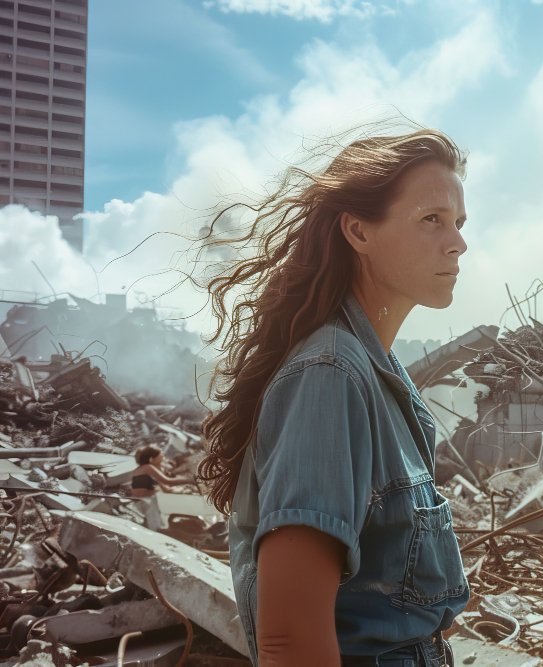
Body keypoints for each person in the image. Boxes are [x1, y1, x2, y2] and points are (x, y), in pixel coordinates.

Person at [198, 128, 470, 666]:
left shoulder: (380, 372)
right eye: (431, 220)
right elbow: (291, 641)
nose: (458, 242)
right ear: (358, 231)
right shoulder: (330, 375)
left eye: (458, 224)